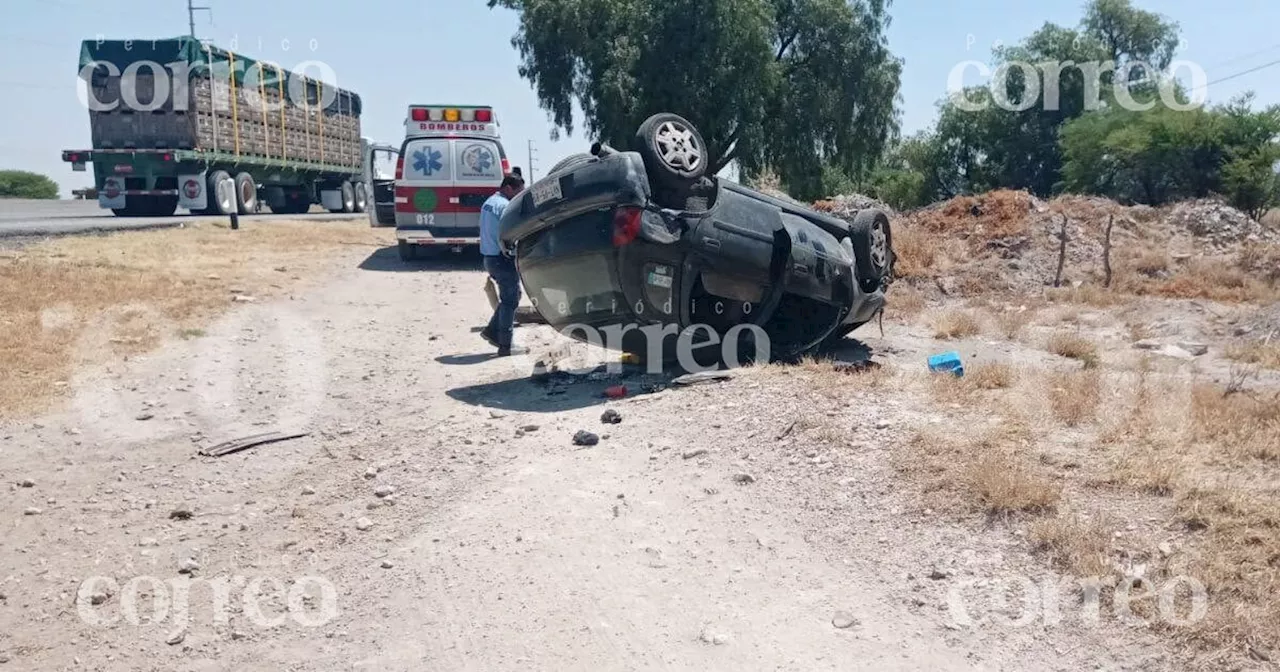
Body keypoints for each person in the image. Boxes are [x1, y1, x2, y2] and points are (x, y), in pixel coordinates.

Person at [479, 173, 525, 356]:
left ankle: (492, 332)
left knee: (512, 296)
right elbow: (513, 231)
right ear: (508, 188)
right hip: (502, 259)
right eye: (518, 192)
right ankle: (505, 345)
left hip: (489, 258)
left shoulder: (489, 203)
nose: (519, 196)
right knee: (510, 300)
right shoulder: (505, 206)